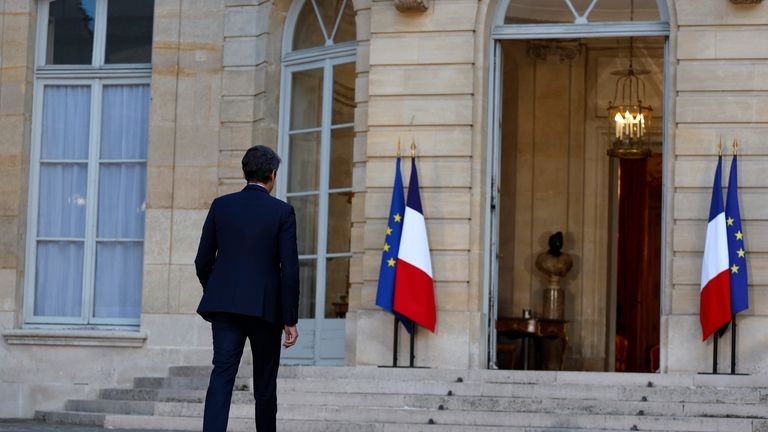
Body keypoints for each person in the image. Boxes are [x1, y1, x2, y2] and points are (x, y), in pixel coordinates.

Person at [194, 145, 300, 432]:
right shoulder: (282, 212)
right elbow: (289, 270)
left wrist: (216, 289)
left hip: (225, 307)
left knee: (222, 375)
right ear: (273, 175)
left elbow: (202, 260)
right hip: (265, 310)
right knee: (265, 383)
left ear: (245, 172)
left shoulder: (221, 205)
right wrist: (290, 318)